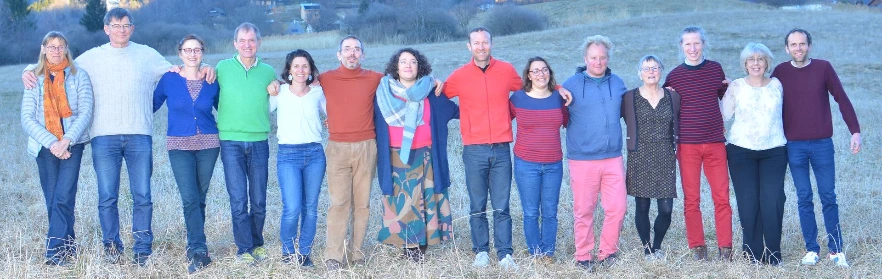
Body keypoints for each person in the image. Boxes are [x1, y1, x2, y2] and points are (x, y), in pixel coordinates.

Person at [21, 8, 215, 266]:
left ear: (132, 28)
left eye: (125, 25)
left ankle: (142, 248)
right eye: (115, 25)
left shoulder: (147, 54)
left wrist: (206, 68)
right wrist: (27, 70)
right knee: (107, 197)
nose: (121, 29)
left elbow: (180, 69)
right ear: (106, 28)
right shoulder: (92, 58)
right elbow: (60, 63)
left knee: (142, 196)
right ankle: (112, 246)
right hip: (104, 137)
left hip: (139, 135)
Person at [771, 29, 861, 267]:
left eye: (802, 44)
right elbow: (765, 99)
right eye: (793, 44)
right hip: (794, 146)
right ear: (786, 48)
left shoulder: (823, 68)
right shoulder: (779, 72)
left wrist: (855, 131)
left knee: (828, 196)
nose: (798, 48)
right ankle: (812, 249)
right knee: (804, 197)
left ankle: (836, 250)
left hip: (822, 144)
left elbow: (841, 98)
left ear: (809, 46)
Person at [441, 27, 522, 270]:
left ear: (491, 44)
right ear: (469, 47)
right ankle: (481, 251)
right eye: (476, 43)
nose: (481, 47)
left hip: (501, 149)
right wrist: (460, 115)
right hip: (474, 149)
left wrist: (560, 90)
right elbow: (439, 95)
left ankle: (505, 253)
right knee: (477, 204)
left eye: (484, 42)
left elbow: (529, 90)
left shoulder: (506, 70)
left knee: (501, 204)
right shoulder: (460, 75)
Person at [374, 48, 459, 262]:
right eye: (403, 62)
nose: (408, 65)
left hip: (426, 152)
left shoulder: (431, 91)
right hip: (396, 154)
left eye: (412, 61)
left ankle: (422, 243)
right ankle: (408, 243)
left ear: (419, 66)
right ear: (396, 67)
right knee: (404, 200)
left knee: (426, 198)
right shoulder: (383, 92)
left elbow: (457, 110)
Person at [20, 31, 93, 267]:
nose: (56, 50)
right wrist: (52, 143)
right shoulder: (33, 77)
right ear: (43, 49)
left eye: (60, 46)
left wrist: (66, 141)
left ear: (66, 48)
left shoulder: (78, 75)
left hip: (73, 144)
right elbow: (27, 118)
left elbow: (86, 112)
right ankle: (69, 245)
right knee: (53, 198)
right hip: (44, 148)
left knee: (63, 196)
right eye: (51, 46)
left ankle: (53, 252)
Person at [662, 26, 733, 261]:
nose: (692, 48)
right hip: (688, 145)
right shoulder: (674, 76)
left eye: (697, 43)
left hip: (714, 143)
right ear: (681, 46)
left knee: (721, 196)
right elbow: (667, 107)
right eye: (687, 44)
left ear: (703, 44)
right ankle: (698, 247)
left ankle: (725, 247)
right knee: (691, 199)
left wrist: (731, 87)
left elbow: (724, 97)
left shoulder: (715, 69)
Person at [152, 34, 219, 273]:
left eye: (197, 49)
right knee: (190, 197)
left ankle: (194, 245)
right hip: (179, 146)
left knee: (200, 197)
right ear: (179, 53)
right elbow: (150, 104)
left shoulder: (212, 80)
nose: (192, 54)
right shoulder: (169, 79)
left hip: (208, 144)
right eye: (187, 50)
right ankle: (199, 250)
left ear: (203, 52)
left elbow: (227, 107)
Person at [563, 35, 628, 271]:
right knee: (584, 210)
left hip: (613, 158)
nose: (598, 62)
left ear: (608, 58)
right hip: (582, 158)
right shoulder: (570, 84)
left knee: (618, 208)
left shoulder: (618, 83)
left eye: (602, 57)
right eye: (593, 57)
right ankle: (583, 255)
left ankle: (608, 251)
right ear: (585, 58)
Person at [721, 43, 787, 266]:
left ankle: (774, 252)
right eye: (751, 60)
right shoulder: (737, 87)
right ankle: (752, 253)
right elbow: (722, 117)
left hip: (775, 151)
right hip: (741, 152)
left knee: (772, 200)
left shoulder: (777, 85)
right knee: (748, 202)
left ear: (767, 62)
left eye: (760, 59)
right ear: (745, 64)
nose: (756, 63)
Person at [215, 22, 276, 264]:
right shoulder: (221, 68)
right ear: (235, 43)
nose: (247, 45)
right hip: (230, 141)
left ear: (258, 42)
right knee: (238, 198)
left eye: (251, 40)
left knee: (259, 199)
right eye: (242, 40)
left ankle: (257, 243)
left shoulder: (268, 71)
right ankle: (244, 249)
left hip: (259, 141)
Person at [269, 49, 326, 267]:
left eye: (305, 66)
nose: (301, 70)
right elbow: (261, 112)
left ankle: (304, 252)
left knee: (310, 207)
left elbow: (333, 113)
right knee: (292, 207)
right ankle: (287, 250)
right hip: (288, 155)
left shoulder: (318, 93)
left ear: (310, 70)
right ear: (289, 70)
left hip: (314, 154)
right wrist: (272, 84)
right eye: (296, 66)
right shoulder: (279, 93)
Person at [621, 55, 680, 261]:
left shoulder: (673, 97)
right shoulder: (629, 97)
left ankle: (657, 245)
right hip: (639, 155)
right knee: (642, 206)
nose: (651, 72)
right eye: (646, 68)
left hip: (665, 156)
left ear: (661, 71)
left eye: (655, 68)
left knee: (666, 209)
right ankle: (647, 249)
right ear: (639, 73)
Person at [509, 57, 567, 264]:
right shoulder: (517, 99)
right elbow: (503, 119)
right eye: (535, 71)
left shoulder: (560, 98)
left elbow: (568, 122)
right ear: (528, 75)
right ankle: (535, 252)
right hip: (526, 163)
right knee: (531, 211)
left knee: (550, 210)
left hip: (553, 164)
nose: (540, 74)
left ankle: (548, 252)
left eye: (544, 70)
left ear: (549, 73)